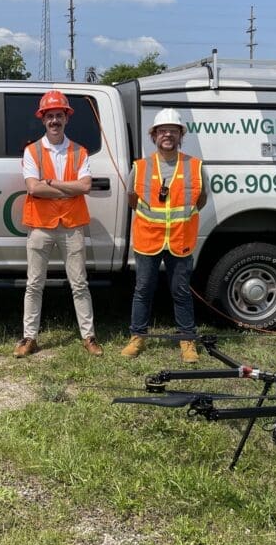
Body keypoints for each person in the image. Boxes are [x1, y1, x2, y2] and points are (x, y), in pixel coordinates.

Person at [14, 90, 103, 358]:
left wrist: (50, 183)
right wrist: (69, 188)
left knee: (79, 284)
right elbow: (33, 188)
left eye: (59, 115)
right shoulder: (32, 151)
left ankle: (89, 336)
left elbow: (85, 186)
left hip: (72, 225)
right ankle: (29, 338)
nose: (54, 120)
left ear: (67, 118)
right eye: (50, 115)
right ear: (43, 119)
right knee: (34, 284)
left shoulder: (79, 151)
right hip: (41, 225)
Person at [121, 108, 207, 363]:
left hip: (180, 239)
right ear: (154, 135)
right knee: (143, 289)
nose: (167, 134)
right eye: (162, 130)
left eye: (173, 130)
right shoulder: (140, 166)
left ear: (181, 135)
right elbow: (132, 199)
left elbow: (201, 199)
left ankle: (187, 341)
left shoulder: (195, 165)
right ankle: (137, 337)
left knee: (180, 291)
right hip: (149, 239)